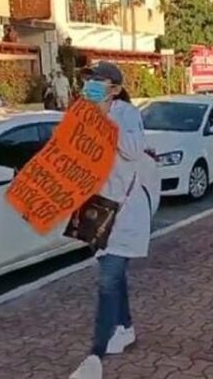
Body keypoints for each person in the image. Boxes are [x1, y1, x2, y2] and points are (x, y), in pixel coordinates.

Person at [69, 62, 150, 379]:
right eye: (88, 78)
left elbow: (132, 150)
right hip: (95, 209)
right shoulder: (81, 111)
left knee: (107, 279)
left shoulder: (126, 113)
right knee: (113, 276)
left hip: (125, 210)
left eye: (97, 80)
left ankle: (94, 356)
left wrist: (103, 119)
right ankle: (125, 327)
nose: (90, 83)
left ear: (114, 88)